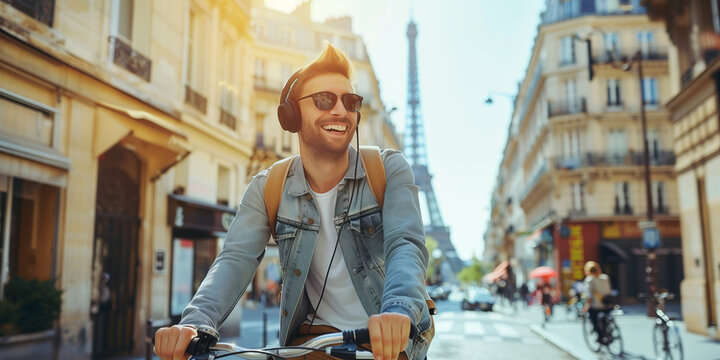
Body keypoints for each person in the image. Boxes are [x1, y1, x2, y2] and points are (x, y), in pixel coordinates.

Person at [154, 44, 432, 360]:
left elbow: (406, 244)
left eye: (350, 101)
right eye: (324, 100)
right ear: (291, 115)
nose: (340, 111)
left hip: (388, 343)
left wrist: (398, 309)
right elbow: (234, 259)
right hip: (314, 343)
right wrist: (194, 324)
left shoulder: (388, 169)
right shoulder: (267, 187)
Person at [583, 261, 612, 343]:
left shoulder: (589, 280)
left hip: (596, 306)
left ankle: (600, 337)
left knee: (593, 319)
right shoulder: (605, 277)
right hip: (608, 304)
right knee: (606, 320)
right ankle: (608, 332)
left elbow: (588, 296)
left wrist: (586, 306)